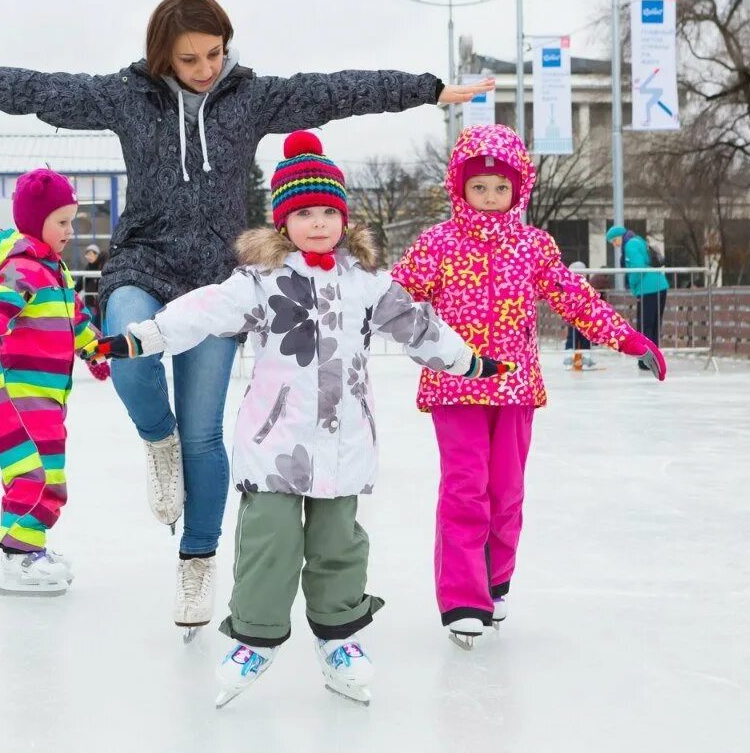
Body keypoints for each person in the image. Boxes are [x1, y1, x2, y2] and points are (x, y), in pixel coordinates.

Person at [0, 0, 494, 617]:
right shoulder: (127, 98)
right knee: (127, 354)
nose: (206, 68)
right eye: (189, 59)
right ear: (162, 58)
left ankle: (196, 562)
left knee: (205, 431)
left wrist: (425, 89)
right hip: (144, 261)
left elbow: (338, 91)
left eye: (215, 53)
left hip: (217, 275)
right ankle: (158, 440)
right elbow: (41, 91)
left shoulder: (251, 98)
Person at [97, 133, 511, 707]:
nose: (317, 224)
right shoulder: (260, 283)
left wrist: (467, 360)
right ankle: (255, 639)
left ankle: (340, 640)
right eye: (303, 214)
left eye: (327, 212)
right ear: (283, 222)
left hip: (345, 444)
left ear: (343, 218)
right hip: (275, 446)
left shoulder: (368, 284)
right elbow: (202, 310)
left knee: (340, 545)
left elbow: (419, 327)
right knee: (269, 542)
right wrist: (140, 337)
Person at [392, 124, 667, 647]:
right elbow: (391, 301)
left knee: (506, 492)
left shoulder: (532, 245)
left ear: (519, 189)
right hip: (456, 387)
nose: (490, 199)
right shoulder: (439, 243)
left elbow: (574, 299)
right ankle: (462, 598)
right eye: (479, 188)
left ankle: (495, 582)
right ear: (460, 188)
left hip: (515, 388)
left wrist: (630, 339)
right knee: (465, 488)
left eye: (501, 188)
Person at [0, 169, 107, 596]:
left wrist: (96, 354)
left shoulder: (56, 274)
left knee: (50, 477)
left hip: (48, 396)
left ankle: (30, 548)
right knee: (30, 474)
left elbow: (77, 320)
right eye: (62, 222)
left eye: (73, 221)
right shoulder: (22, 269)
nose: (70, 231)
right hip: (17, 391)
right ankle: (18, 559)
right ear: (36, 222)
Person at [606, 225, 670, 371]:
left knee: (645, 325)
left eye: (613, 241)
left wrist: (632, 284)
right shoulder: (637, 240)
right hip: (658, 285)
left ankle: (646, 360)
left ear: (618, 237)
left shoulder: (630, 245)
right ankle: (654, 358)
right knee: (653, 325)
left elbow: (637, 268)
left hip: (648, 287)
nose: (615, 245)